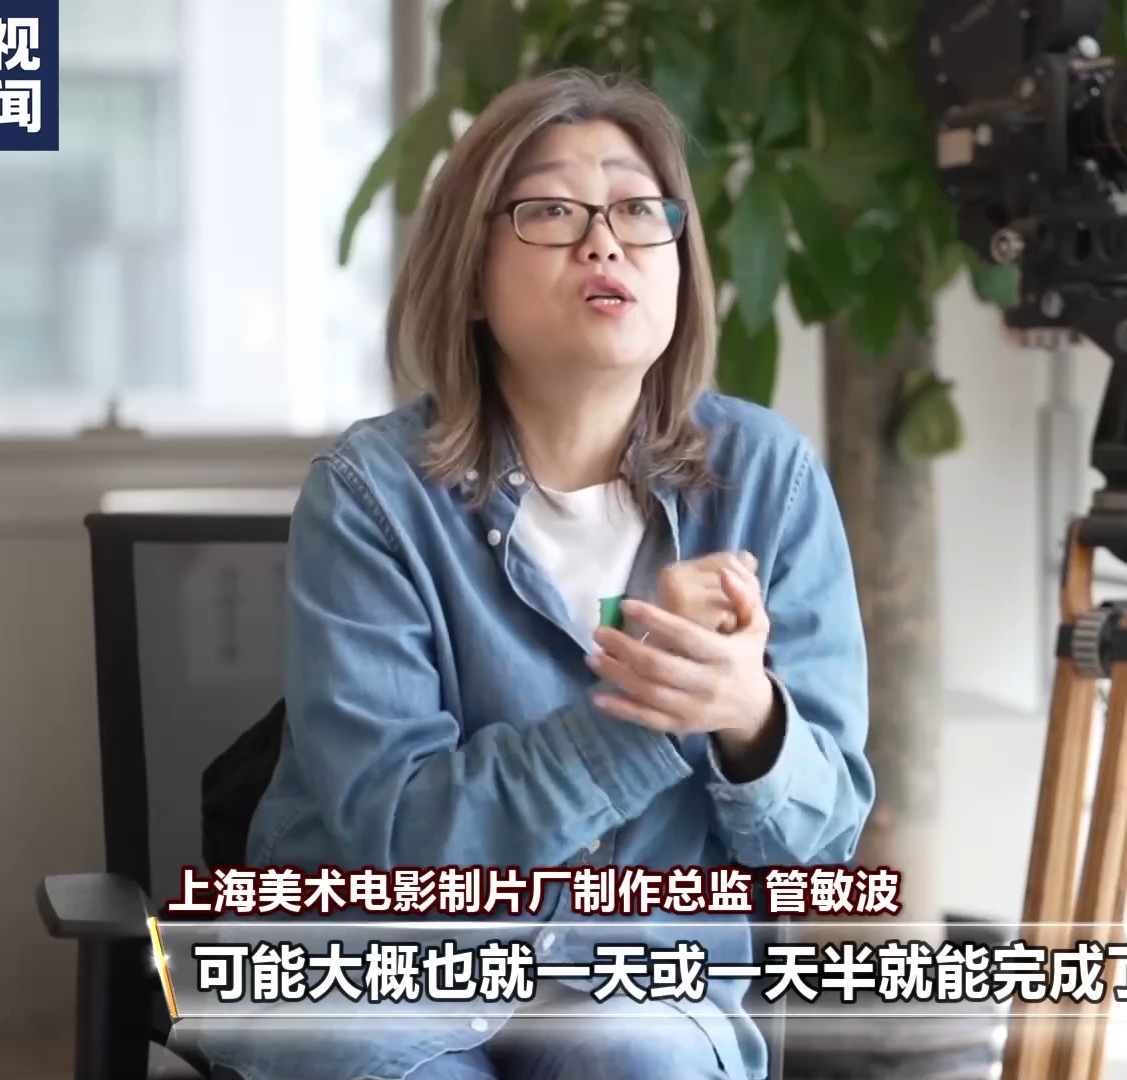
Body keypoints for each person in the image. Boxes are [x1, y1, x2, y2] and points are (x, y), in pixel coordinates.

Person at [203, 68, 874, 1080]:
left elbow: (819, 849)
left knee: (637, 1054)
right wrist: (646, 711)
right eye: (553, 211)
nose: (606, 242)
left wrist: (749, 717)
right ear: (471, 280)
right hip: (381, 969)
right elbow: (402, 848)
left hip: (641, 975)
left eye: (639, 210)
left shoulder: (767, 480)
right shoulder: (371, 495)